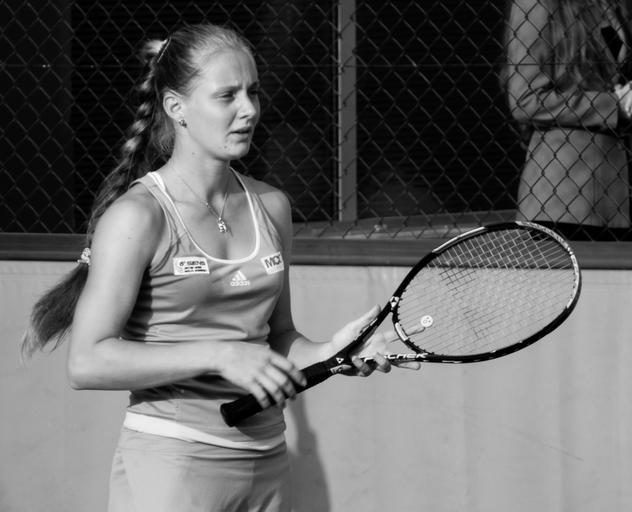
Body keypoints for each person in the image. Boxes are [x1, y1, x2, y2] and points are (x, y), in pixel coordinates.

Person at [21, 23, 418, 512]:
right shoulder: (138, 216)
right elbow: (87, 363)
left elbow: (278, 338)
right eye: (227, 96)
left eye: (253, 92)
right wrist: (218, 355)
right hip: (173, 464)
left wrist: (332, 351)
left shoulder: (271, 205)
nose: (248, 110)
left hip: (267, 463)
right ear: (176, 107)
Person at [502, 0, 632, 241]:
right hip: (563, 198)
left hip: (620, 195)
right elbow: (525, 99)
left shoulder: (612, 6)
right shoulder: (538, 4)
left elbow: (630, 84)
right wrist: (613, 105)